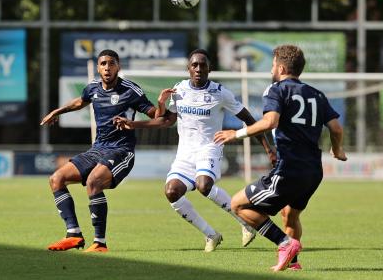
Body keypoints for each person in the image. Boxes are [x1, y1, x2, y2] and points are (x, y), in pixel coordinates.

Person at [113, 49, 276, 252]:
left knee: (203, 185)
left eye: (203, 65)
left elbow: (250, 120)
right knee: (172, 192)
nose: (199, 68)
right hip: (185, 153)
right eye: (195, 65)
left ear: (210, 68)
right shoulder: (180, 89)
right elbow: (166, 121)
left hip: (210, 148)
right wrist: (136, 122)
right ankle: (211, 234)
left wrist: (269, 148)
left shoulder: (220, 92)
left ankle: (245, 221)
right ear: (188, 69)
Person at [214, 44, 347, 271]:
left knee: (238, 205)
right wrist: (337, 150)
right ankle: (293, 264)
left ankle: (284, 243)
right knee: (290, 214)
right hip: (313, 172)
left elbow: (270, 122)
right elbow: (336, 128)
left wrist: (235, 134)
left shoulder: (276, 90)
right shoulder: (316, 94)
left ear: (282, 68)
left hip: (289, 170)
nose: (272, 69)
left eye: (273, 64)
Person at [40, 49, 156, 253]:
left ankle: (100, 243)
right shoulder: (93, 88)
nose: (107, 67)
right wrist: (57, 111)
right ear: (98, 67)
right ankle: (73, 234)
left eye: (111, 63)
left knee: (94, 182)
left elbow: (156, 114)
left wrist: (159, 110)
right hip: (98, 149)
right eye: (103, 64)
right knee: (56, 179)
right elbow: (79, 102)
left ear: (118, 66)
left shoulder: (130, 90)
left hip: (122, 151)